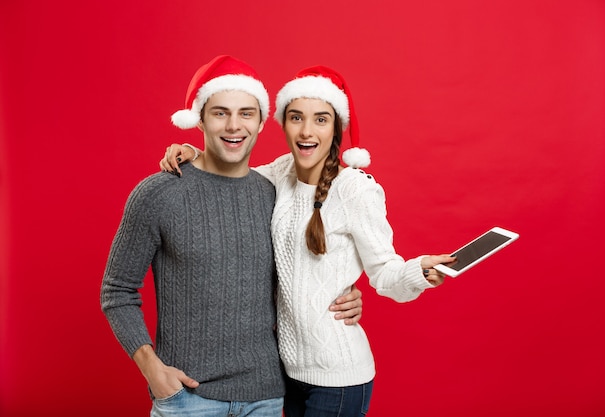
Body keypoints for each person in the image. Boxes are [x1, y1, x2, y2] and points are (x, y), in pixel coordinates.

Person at [161, 65, 455, 417]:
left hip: (339, 377)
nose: (306, 130)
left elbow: (385, 273)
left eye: (320, 120)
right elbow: (229, 171)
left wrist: (418, 273)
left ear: (335, 129)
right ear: (283, 124)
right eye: (296, 117)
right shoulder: (279, 173)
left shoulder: (355, 189)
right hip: (287, 375)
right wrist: (194, 152)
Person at [101, 55, 363, 417]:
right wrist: (152, 369)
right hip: (187, 398)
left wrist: (344, 292)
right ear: (200, 119)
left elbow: (303, 271)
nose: (233, 125)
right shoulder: (159, 193)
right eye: (220, 113)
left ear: (259, 124)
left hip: (267, 396)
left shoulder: (274, 193)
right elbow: (117, 290)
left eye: (246, 113)